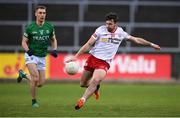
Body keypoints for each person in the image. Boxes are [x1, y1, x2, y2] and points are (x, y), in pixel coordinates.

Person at [66, 12, 161, 110]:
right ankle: (96, 88)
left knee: (95, 80)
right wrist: (76, 56)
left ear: (116, 24)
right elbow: (89, 44)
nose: (107, 26)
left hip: (104, 62)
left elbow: (136, 40)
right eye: (106, 23)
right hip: (92, 58)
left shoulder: (121, 33)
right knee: (83, 83)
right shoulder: (100, 30)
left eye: (110, 24)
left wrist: (151, 44)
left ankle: (82, 99)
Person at [17, 5, 58, 108]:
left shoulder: (49, 27)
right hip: (31, 55)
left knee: (40, 83)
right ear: (36, 14)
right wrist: (28, 50)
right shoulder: (30, 27)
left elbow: (53, 39)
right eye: (40, 13)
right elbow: (23, 42)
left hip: (42, 57)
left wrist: (54, 49)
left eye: (44, 13)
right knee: (35, 78)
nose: (42, 15)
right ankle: (34, 101)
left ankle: (24, 75)